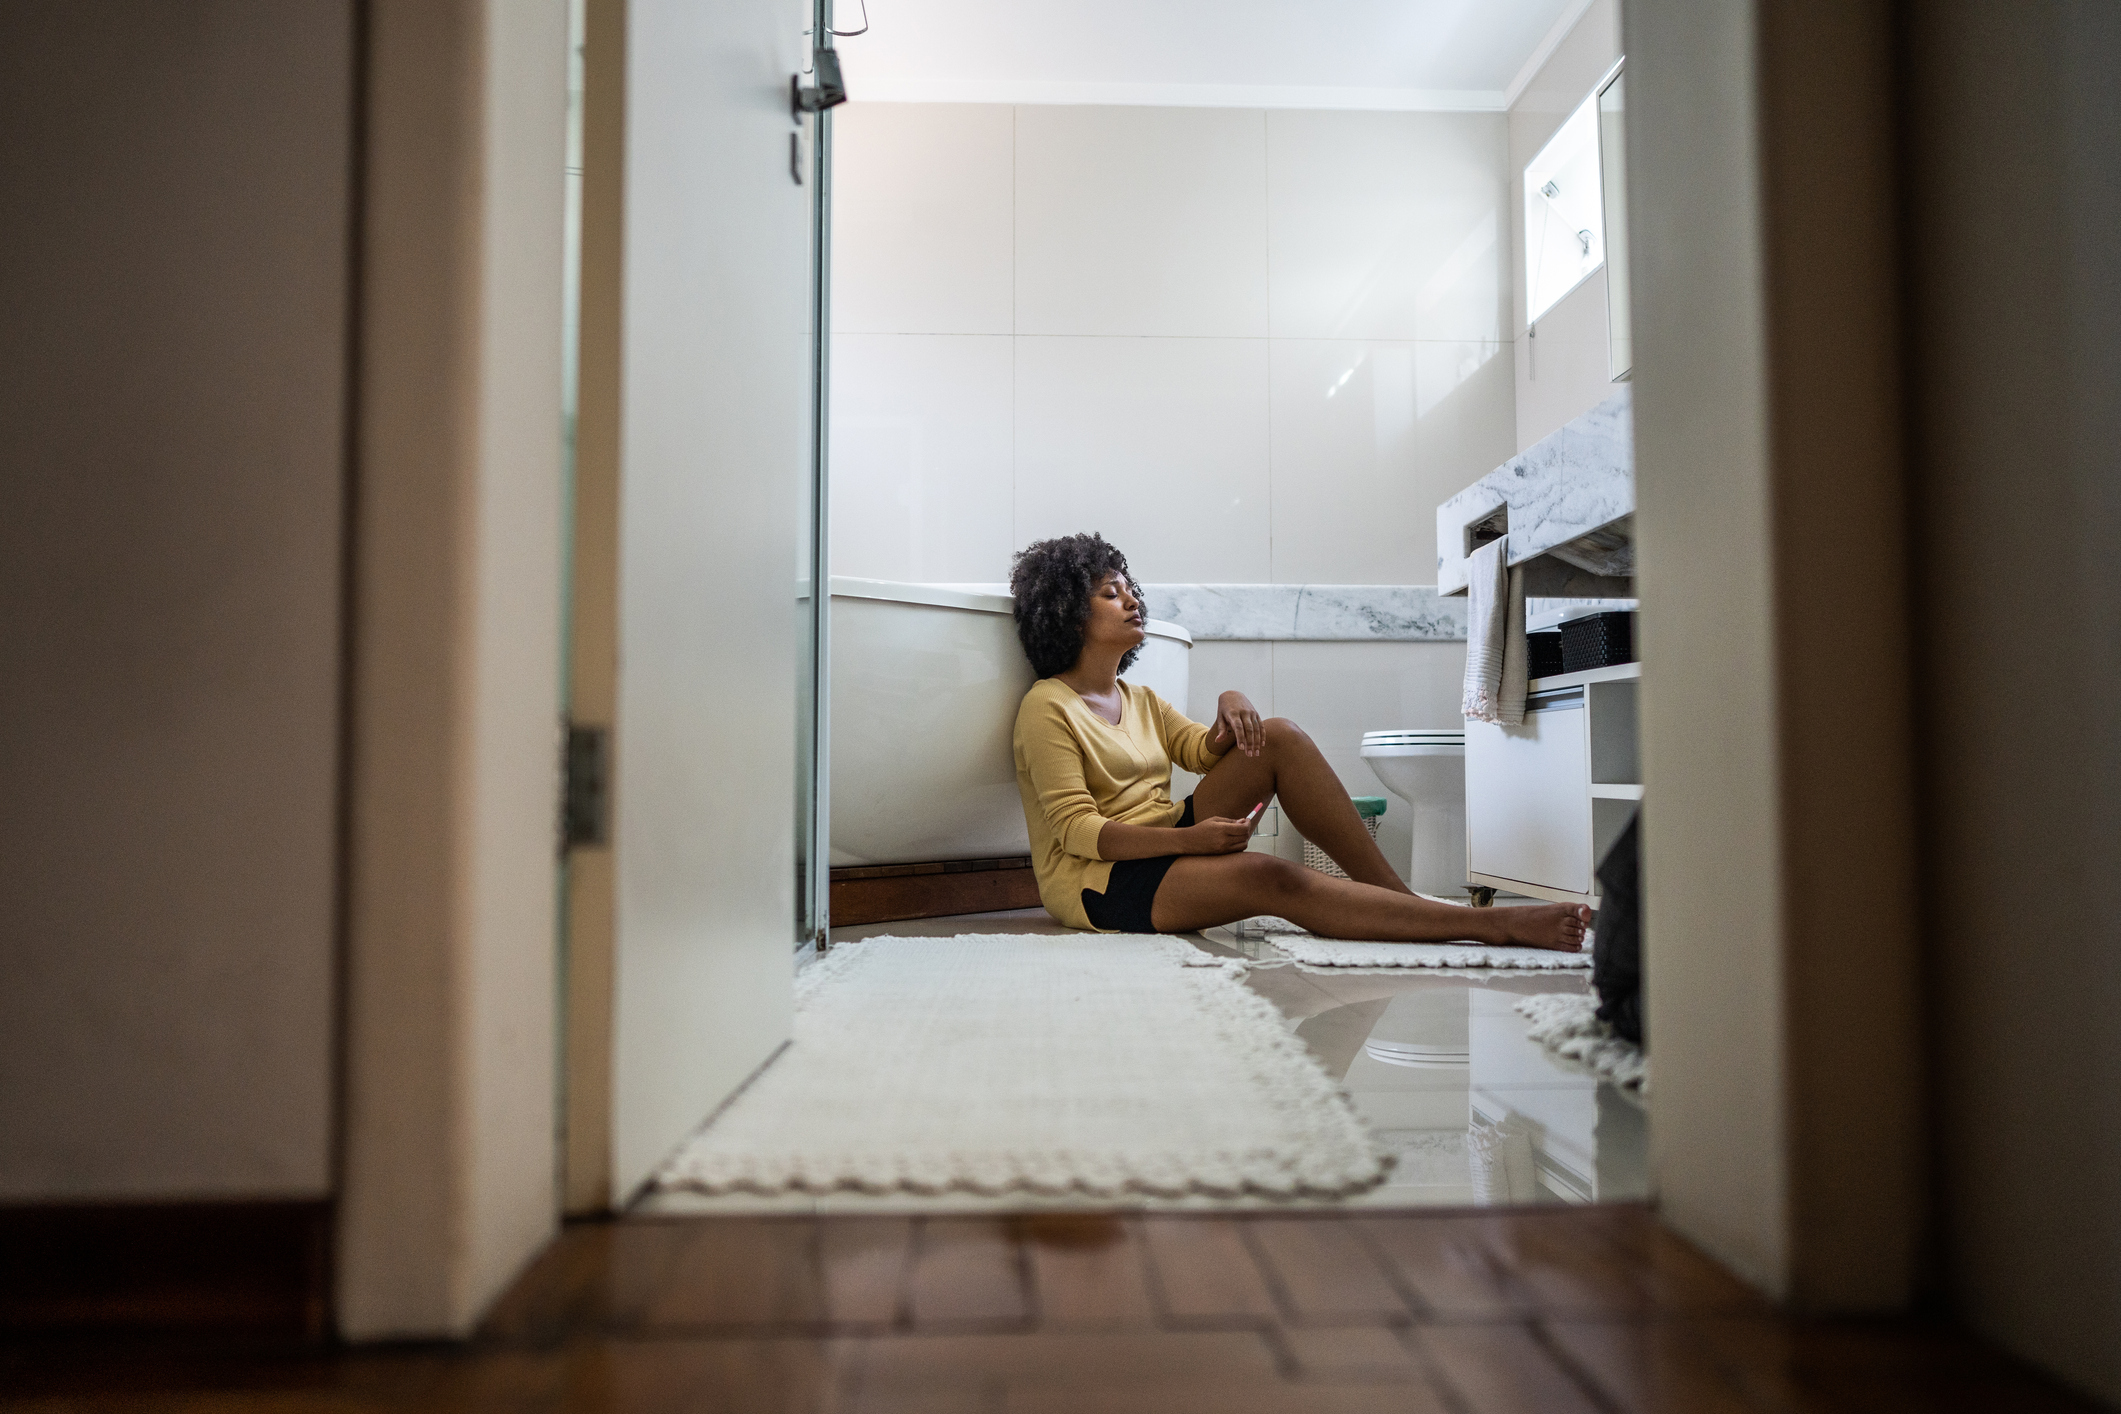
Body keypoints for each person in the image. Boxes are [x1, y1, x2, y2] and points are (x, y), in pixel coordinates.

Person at [1008, 533, 1590, 949]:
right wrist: (1197, 842)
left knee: (1279, 737)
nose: (1132, 599)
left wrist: (1231, 702)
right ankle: (1491, 926)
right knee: (1271, 877)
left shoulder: (1138, 698)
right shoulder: (1046, 708)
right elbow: (1078, 833)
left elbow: (1202, 750)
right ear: (1065, 614)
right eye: (1111, 593)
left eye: (1129, 588)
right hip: (1097, 881)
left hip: (1165, 836)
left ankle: (1400, 903)